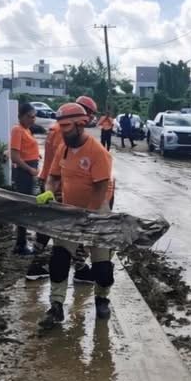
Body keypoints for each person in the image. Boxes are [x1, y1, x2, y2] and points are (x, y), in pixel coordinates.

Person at [39, 102, 115, 329]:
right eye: (61, 127)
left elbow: (101, 187)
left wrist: (88, 218)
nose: (63, 131)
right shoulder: (63, 147)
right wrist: (49, 192)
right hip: (69, 211)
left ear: (81, 125)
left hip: (96, 212)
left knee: (102, 269)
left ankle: (102, 299)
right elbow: (53, 177)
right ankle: (56, 306)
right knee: (59, 259)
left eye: (67, 127)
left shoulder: (97, 152)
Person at [25, 94, 99, 284]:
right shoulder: (64, 131)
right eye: (88, 114)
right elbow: (67, 163)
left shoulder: (56, 128)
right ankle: (80, 268)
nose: (89, 119)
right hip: (57, 184)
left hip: (50, 181)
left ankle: (36, 265)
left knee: (50, 225)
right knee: (69, 227)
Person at [9, 102, 40, 255]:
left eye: (34, 117)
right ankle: (20, 244)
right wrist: (30, 169)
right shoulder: (17, 130)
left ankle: (22, 241)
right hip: (24, 173)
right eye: (29, 116)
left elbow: (26, 150)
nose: (32, 119)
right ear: (20, 116)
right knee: (23, 208)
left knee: (26, 206)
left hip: (29, 172)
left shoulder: (27, 130)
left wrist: (36, 156)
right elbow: (14, 156)